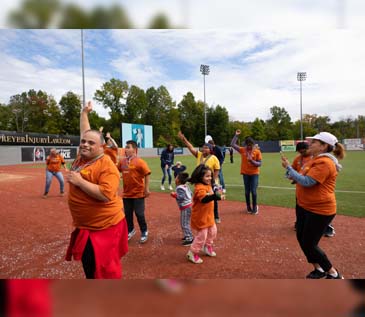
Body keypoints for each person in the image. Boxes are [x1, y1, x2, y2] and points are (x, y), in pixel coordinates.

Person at [65, 101, 128, 279]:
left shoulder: (107, 166)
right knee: (91, 268)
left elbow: (105, 195)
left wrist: (79, 182)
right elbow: (85, 132)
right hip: (90, 226)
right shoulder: (83, 157)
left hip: (104, 228)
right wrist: (84, 113)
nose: (84, 144)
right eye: (83, 142)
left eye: (90, 143)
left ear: (101, 147)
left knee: (103, 270)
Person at [281, 132, 345, 279]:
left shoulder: (325, 163)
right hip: (306, 206)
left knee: (309, 243)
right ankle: (319, 269)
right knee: (301, 238)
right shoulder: (315, 160)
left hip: (320, 210)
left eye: (315, 142)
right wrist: (289, 170)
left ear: (324, 146)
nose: (310, 144)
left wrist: (290, 169)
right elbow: (299, 177)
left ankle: (333, 273)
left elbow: (307, 182)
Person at [289, 142, 336, 237]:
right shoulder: (298, 159)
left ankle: (328, 228)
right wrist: (292, 176)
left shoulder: (318, 160)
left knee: (316, 217)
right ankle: (299, 224)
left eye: (303, 151)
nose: (302, 153)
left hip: (317, 197)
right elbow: (293, 171)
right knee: (299, 209)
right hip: (301, 192)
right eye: (300, 152)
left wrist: (289, 168)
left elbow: (308, 181)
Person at [178, 131, 222, 223]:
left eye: (206, 148)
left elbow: (217, 170)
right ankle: (200, 213)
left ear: (210, 150)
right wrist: (184, 139)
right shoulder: (199, 155)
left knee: (213, 198)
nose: (204, 149)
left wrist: (213, 181)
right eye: (203, 147)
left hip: (209, 181)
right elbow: (190, 147)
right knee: (199, 197)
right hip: (199, 181)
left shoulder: (214, 158)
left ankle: (216, 216)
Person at [186, 164, 224, 264]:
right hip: (200, 217)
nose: (210, 178)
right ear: (200, 177)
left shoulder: (208, 185)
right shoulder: (199, 188)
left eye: (210, 175)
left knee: (213, 231)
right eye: (207, 176)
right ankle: (192, 252)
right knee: (202, 235)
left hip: (208, 215)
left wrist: (218, 194)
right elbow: (204, 199)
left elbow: (213, 191)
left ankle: (207, 246)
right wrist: (214, 196)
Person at [118, 140, 151, 244]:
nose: (125, 149)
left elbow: (147, 173)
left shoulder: (140, 162)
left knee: (139, 213)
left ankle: (144, 231)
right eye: (125, 147)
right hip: (126, 193)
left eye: (128, 147)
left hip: (138, 193)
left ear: (134, 150)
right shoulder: (122, 162)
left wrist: (146, 189)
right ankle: (130, 230)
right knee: (127, 214)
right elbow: (116, 170)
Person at [230, 130, 262, 214]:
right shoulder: (243, 150)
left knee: (253, 191)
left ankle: (255, 207)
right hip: (245, 173)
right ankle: (248, 206)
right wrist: (236, 135)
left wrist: (252, 161)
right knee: (247, 191)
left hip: (254, 173)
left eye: (250, 145)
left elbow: (260, 163)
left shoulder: (257, 152)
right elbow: (232, 144)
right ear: (245, 145)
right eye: (247, 145)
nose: (249, 147)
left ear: (253, 145)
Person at [170, 172, 194, 246]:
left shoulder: (179, 188)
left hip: (185, 207)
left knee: (184, 223)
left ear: (179, 180)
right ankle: (187, 235)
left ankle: (189, 238)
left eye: (176, 177)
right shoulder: (185, 186)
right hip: (189, 205)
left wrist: (174, 195)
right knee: (185, 222)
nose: (175, 179)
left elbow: (181, 198)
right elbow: (191, 194)